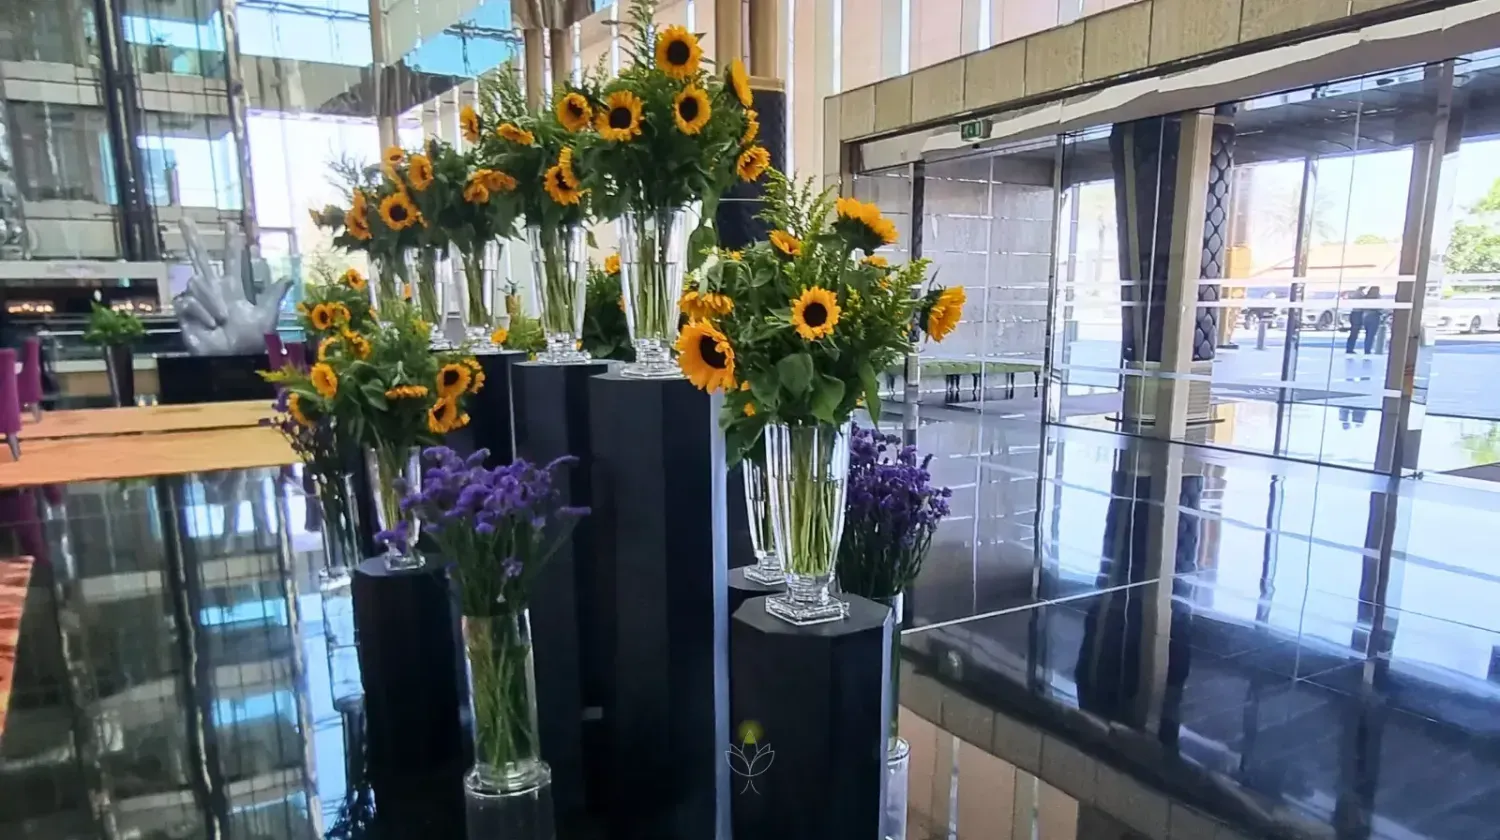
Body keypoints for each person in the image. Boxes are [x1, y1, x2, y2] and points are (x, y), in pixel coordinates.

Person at [1346, 285, 1383, 355]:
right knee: (1370, 335)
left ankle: (1354, 349)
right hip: (1372, 316)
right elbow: (1380, 309)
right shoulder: (1375, 298)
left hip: (1365, 316)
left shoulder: (1366, 297)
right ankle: (1367, 350)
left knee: (1363, 334)